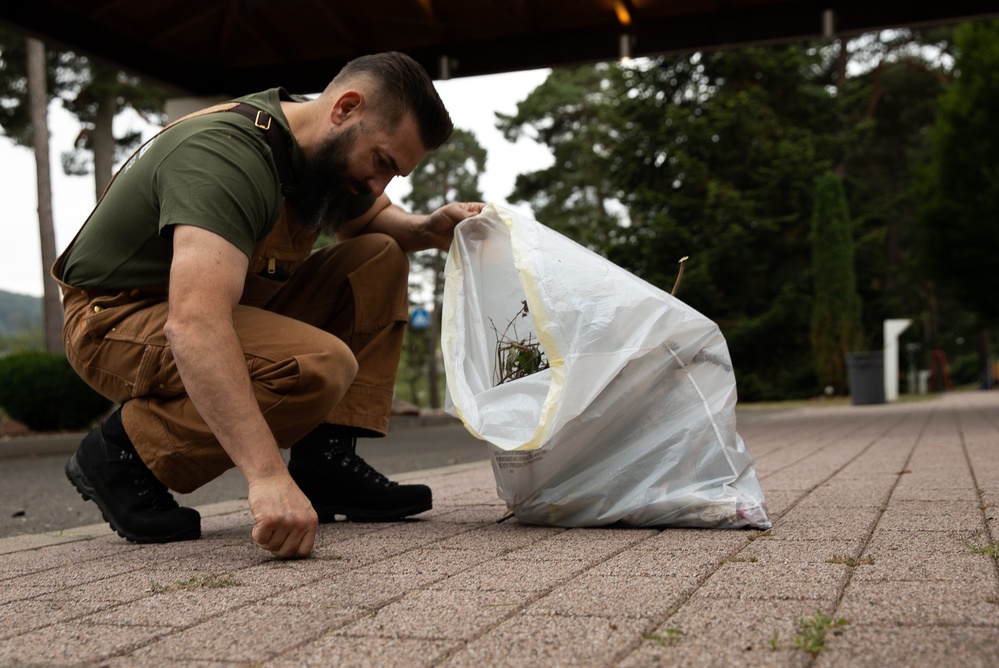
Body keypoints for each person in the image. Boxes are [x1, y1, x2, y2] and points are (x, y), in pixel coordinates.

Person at [53, 51, 485, 559]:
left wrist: (428, 229)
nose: (378, 186)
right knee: (317, 367)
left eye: (395, 176)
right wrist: (266, 476)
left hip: (222, 305)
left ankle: (326, 461)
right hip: (115, 319)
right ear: (345, 108)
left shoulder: (317, 151)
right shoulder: (224, 158)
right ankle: (124, 452)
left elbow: (371, 222)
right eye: (383, 163)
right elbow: (194, 324)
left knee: (379, 257)